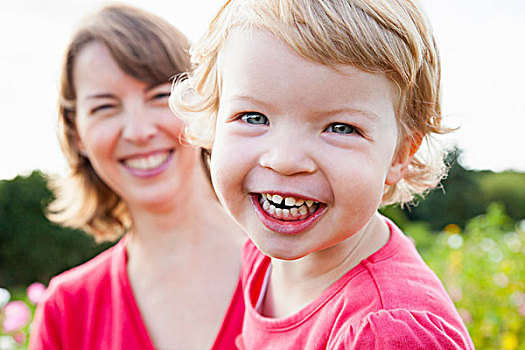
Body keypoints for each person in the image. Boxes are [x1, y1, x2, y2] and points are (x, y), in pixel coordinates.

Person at [170, 0, 475, 348]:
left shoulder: (385, 332)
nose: (285, 160)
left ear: (400, 155)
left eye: (341, 128)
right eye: (253, 117)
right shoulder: (262, 256)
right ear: (213, 124)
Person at [29, 4, 245, 349]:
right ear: (77, 135)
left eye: (161, 96)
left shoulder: (301, 266)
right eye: (105, 107)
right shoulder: (68, 310)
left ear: (202, 103)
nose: (139, 131)